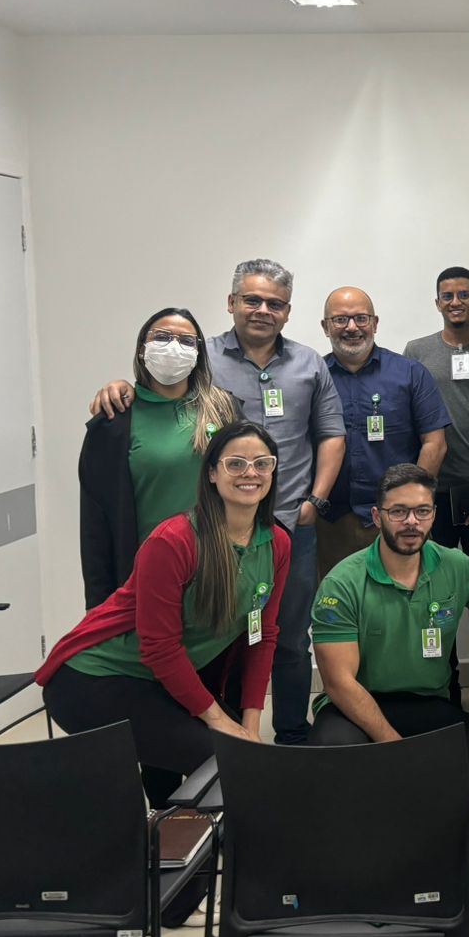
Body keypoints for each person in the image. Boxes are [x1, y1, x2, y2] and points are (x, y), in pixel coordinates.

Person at [90, 258, 345, 746]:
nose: (263, 310)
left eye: (275, 303)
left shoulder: (310, 363)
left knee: (287, 637)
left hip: (287, 526)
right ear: (231, 303)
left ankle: (290, 735)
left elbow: (330, 434)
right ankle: (217, 738)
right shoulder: (199, 356)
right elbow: (158, 395)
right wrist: (119, 387)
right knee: (209, 641)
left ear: (288, 311)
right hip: (210, 537)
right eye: (252, 300)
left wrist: (313, 501)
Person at [39, 421, 290, 806]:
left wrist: (251, 725)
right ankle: (171, 842)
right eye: (235, 464)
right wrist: (221, 721)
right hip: (95, 679)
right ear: (211, 473)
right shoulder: (174, 541)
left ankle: (183, 841)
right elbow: (160, 647)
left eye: (262, 463)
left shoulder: (276, 543)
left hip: (162, 680)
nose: (250, 473)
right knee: (225, 760)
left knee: (242, 756)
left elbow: (262, 636)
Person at [309, 464, 469, 793]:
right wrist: (396, 747)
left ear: (433, 515)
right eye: (398, 511)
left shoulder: (453, 564)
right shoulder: (342, 583)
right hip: (355, 703)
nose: (412, 521)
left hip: (425, 702)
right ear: (377, 516)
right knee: (334, 756)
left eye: (422, 511)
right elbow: (339, 684)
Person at [403, 266, 469, 721]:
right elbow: (409, 422)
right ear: (437, 303)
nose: (455, 302)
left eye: (464, 294)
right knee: (435, 593)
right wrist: (414, 494)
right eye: (447, 295)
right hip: (432, 496)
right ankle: (444, 680)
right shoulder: (416, 352)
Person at [79, 307, 239, 609]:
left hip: (215, 570)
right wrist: (98, 606)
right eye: (162, 337)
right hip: (144, 573)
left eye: (186, 341)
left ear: (198, 354)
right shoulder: (114, 422)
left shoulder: (224, 410)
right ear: (142, 348)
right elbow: (95, 524)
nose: (173, 347)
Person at [316, 286, 450, 574]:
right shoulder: (314, 377)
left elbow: (435, 444)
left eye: (361, 318)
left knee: (405, 595)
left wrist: (411, 505)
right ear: (325, 327)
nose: (352, 327)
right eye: (340, 319)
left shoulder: (410, 374)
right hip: (331, 522)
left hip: (397, 519)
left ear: (375, 323)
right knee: (336, 598)